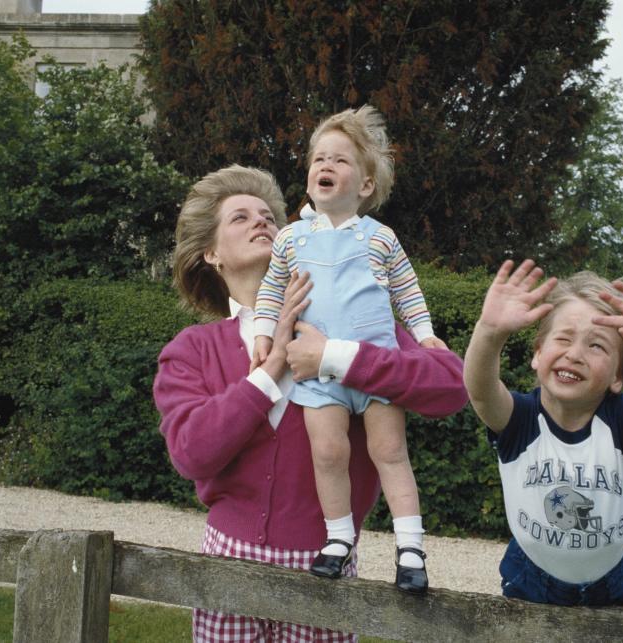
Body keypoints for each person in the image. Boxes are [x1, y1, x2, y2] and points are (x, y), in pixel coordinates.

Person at [153, 164, 468, 641]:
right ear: (211, 253)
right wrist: (273, 364)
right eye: (240, 218)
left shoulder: (362, 328)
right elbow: (193, 453)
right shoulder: (192, 350)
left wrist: (336, 357)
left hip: (326, 575)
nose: (262, 221)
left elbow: (452, 387)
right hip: (225, 569)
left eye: (268, 216)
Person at [251, 106, 444, 594]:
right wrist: (265, 336)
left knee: (389, 452)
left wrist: (423, 335)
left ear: (364, 186)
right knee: (329, 453)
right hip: (318, 377)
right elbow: (273, 292)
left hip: (377, 370)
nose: (325, 166)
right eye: (318, 159)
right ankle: (338, 539)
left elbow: (407, 292)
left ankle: (410, 547)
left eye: (339, 160)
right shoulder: (291, 238)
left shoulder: (381, 238)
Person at [463, 259, 623, 606]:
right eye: (563, 338)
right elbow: (480, 389)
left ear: (617, 377)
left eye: (597, 346)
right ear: (537, 354)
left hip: (614, 579)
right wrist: (489, 331)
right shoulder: (519, 419)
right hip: (532, 576)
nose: (575, 354)